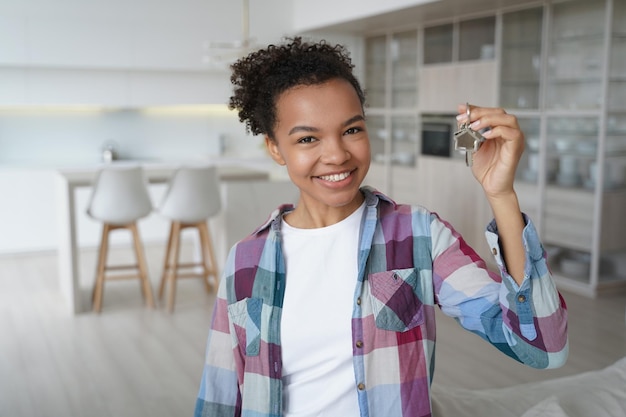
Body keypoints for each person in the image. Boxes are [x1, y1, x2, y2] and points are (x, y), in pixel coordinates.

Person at [194, 37, 568, 417]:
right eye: (308, 138)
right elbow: (219, 398)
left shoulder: (418, 235)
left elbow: (542, 348)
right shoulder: (245, 260)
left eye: (352, 130)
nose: (337, 154)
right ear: (275, 148)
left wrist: (501, 194)